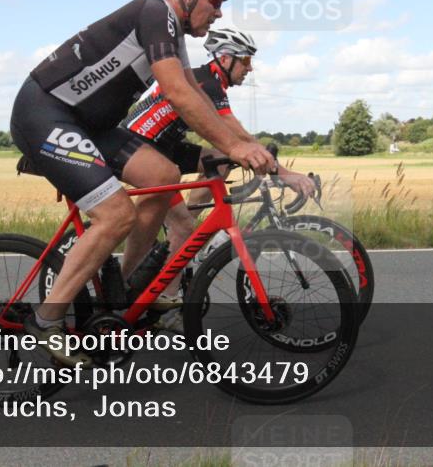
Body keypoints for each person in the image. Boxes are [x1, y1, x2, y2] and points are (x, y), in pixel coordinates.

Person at [10, 0, 275, 366]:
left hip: (89, 125)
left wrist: (241, 146)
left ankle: (128, 293)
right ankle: (46, 320)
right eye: (215, 1)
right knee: (116, 215)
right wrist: (236, 148)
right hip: (45, 113)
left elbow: (199, 96)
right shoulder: (154, 13)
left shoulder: (173, 37)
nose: (219, 13)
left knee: (163, 173)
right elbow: (179, 95)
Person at [121, 24, 316, 328]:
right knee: (184, 224)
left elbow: (229, 143)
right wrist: (284, 173)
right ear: (225, 59)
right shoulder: (207, 84)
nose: (249, 70)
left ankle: (197, 219)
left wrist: (251, 157)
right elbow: (234, 133)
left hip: (165, 146)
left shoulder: (209, 80)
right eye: (246, 61)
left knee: (218, 158)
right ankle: (167, 305)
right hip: (142, 151)